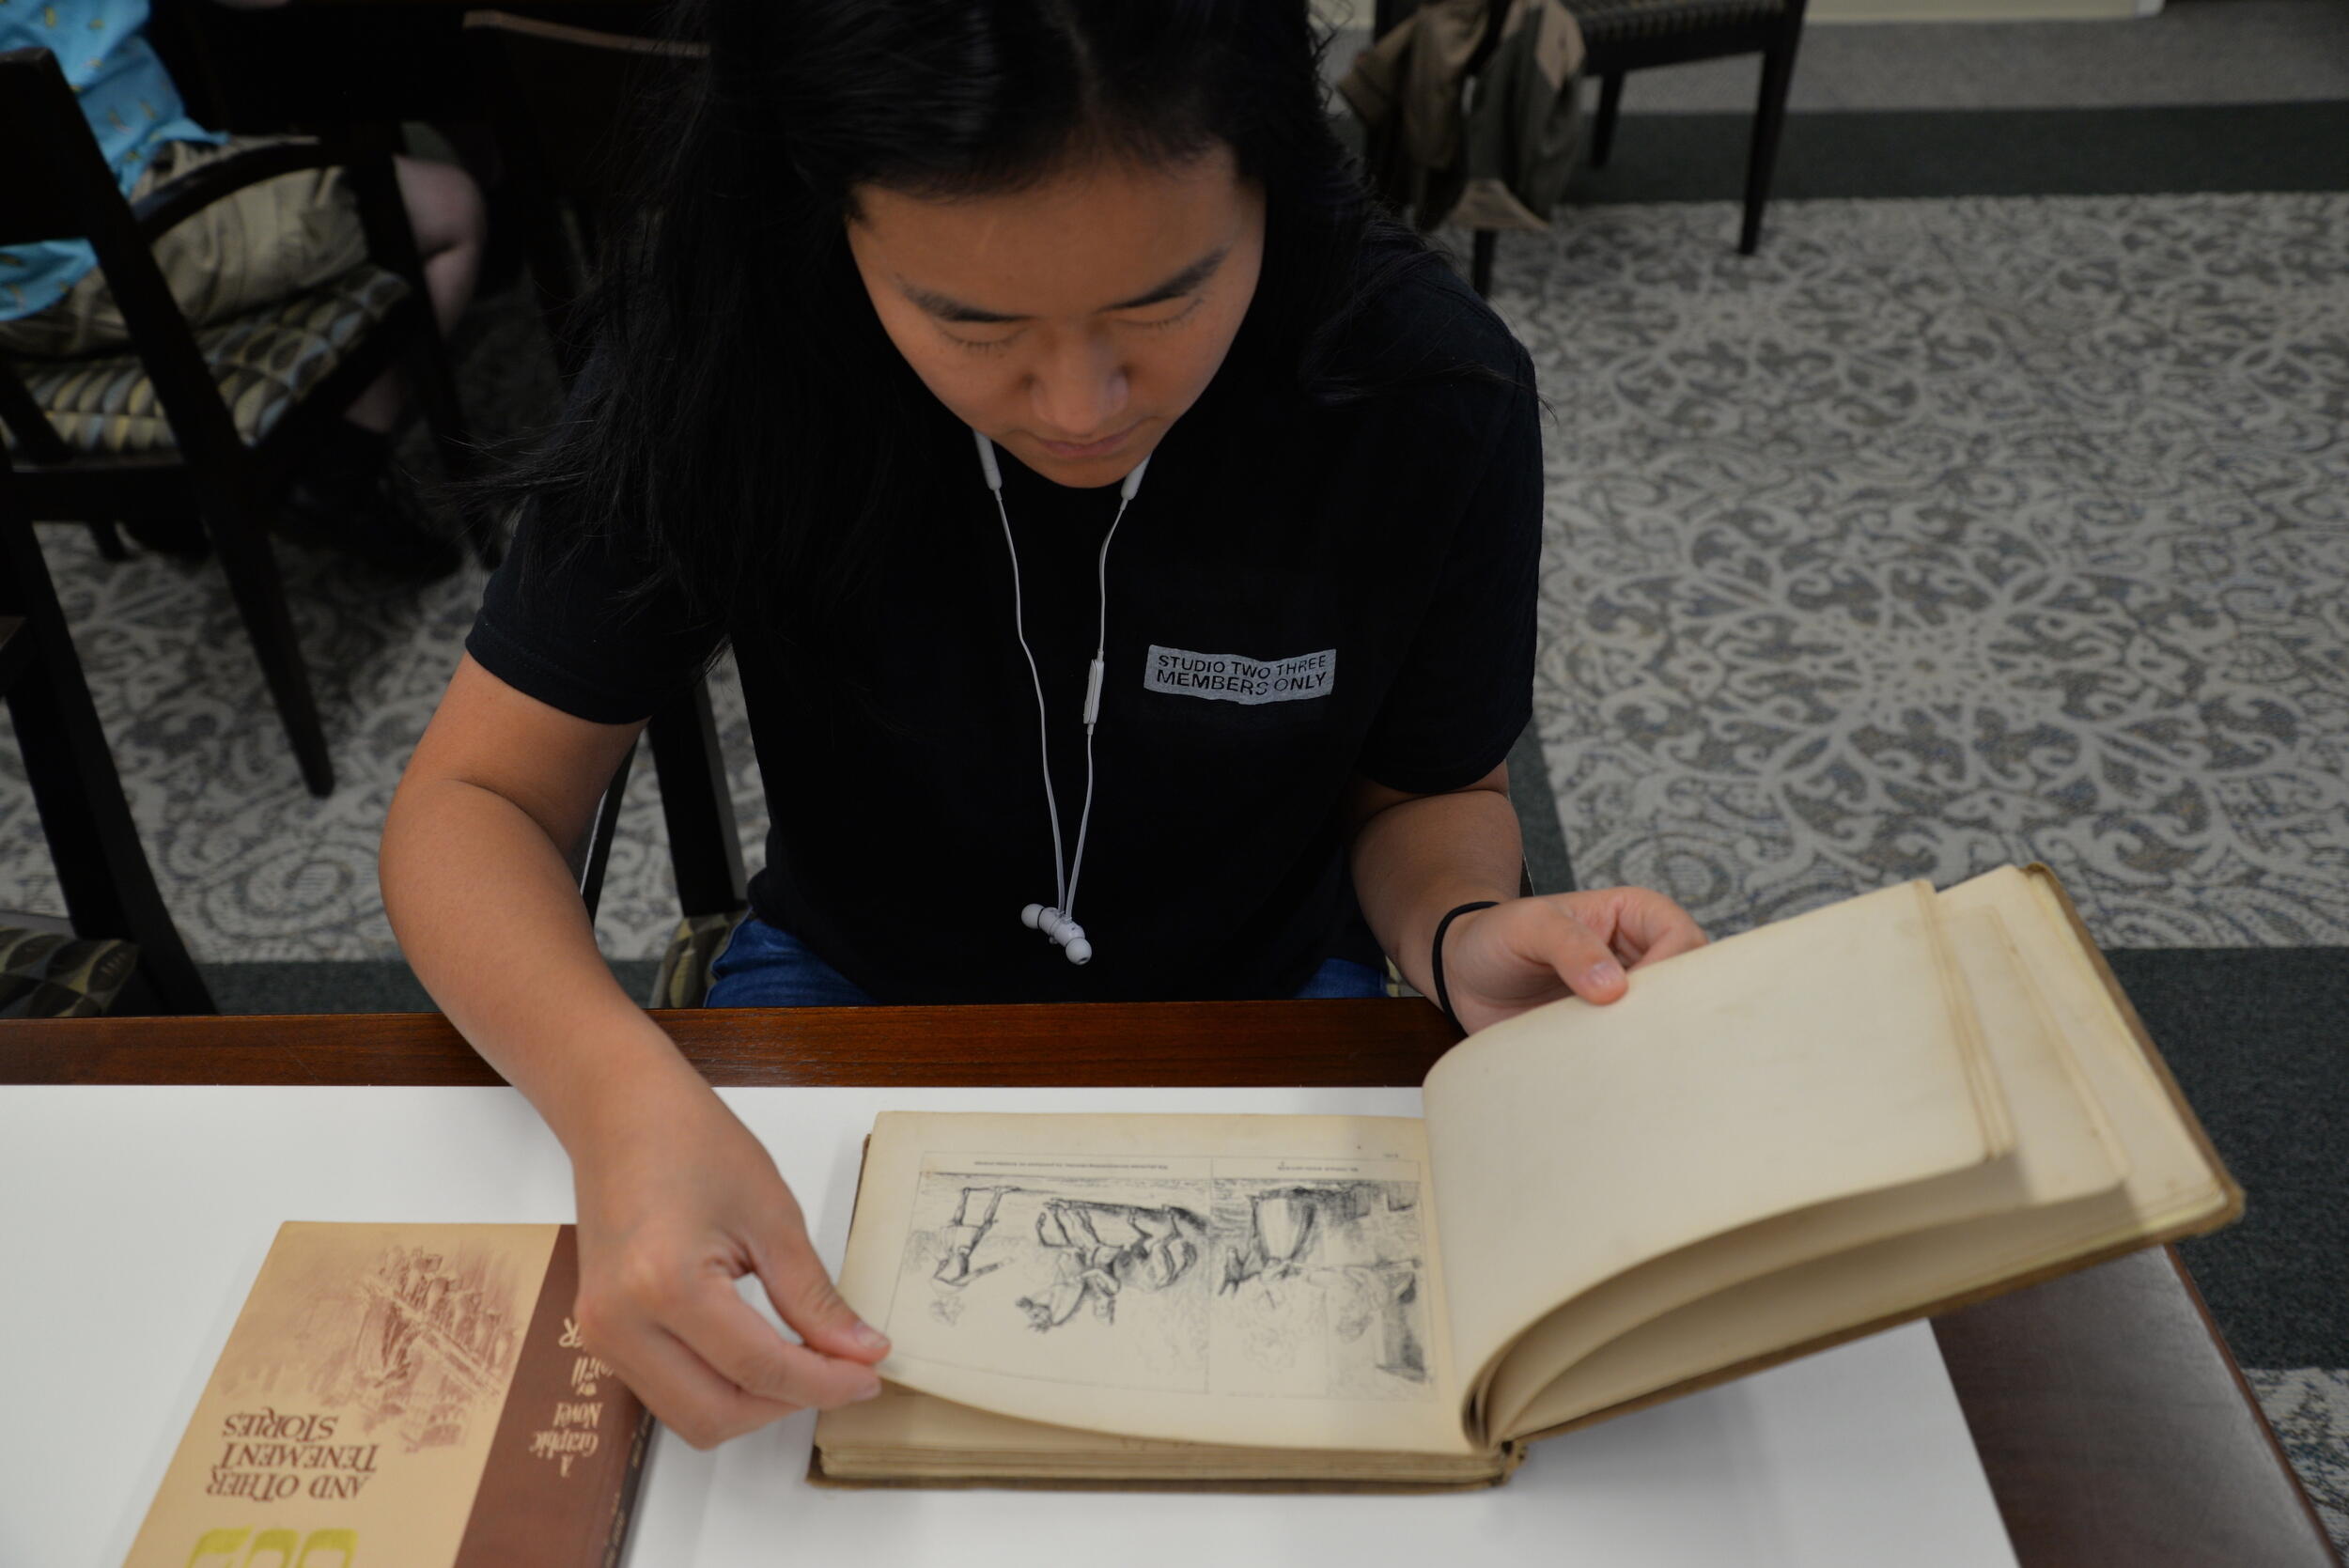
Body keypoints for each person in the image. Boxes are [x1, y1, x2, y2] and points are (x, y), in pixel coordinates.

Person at [379, 0, 1709, 1450]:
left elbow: (1424, 797)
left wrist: (1460, 929)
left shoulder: (1420, 390)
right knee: (765, 1454)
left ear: (1272, 173)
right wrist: (613, 1098)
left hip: (1261, 995)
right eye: (973, 321)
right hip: (857, 982)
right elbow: (476, 804)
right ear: (834, 218)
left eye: (1166, 300)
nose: (1080, 406)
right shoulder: (734, 346)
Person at [0, 0, 485, 576]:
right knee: (449, 206)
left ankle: (168, 497)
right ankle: (335, 472)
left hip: (15, 304)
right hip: (113, 250)